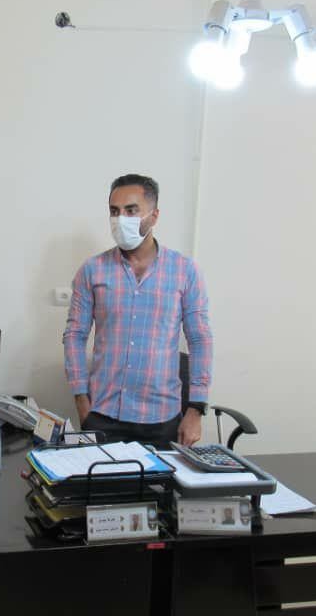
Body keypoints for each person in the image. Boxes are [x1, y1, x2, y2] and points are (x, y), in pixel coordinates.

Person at [63, 173, 213, 447]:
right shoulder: (92, 270)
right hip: (103, 414)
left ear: (154, 216)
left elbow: (200, 339)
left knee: (160, 478)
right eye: (114, 211)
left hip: (162, 418)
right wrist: (81, 400)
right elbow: (74, 335)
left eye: (131, 211)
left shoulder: (185, 271)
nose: (121, 219)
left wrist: (196, 409)